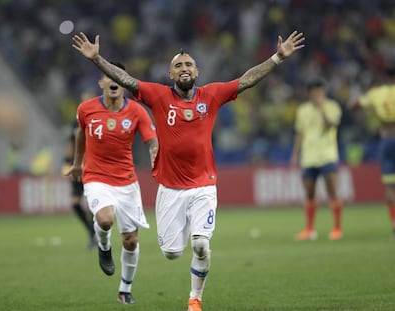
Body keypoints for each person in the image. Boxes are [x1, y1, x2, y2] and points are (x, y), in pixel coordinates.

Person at [72, 30, 304, 311]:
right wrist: (97, 59)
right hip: (170, 190)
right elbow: (126, 80)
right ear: (170, 74)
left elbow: (247, 80)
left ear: (197, 71)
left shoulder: (212, 95)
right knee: (171, 253)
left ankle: (195, 298)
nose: (184, 69)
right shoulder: (157, 96)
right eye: (179, 65)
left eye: (189, 64)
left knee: (201, 246)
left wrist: (278, 57)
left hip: (203, 187)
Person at [65, 62, 158, 304]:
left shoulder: (137, 112)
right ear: (102, 83)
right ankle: (103, 246)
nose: (114, 80)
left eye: (120, 76)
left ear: (125, 82)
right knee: (105, 219)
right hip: (96, 177)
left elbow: (152, 139)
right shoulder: (86, 109)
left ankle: (125, 290)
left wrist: (154, 152)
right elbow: (80, 134)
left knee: (131, 240)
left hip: (127, 182)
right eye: (109, 76)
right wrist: (77, 164)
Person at [290, 78, 343, 241]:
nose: (317, 94)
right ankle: (310, 229)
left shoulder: (332, 107)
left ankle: (336, 228)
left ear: (323, 92)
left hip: (327, 155)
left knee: (332, 192)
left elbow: (330, 125)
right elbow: (300, 133)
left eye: (319, 91)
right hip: (309, 157)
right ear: (309, 93)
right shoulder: (302, 110)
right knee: (309, 193)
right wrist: (295, 154)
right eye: (313, 92)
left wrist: (321, 108)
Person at [349, 66, 395, 238]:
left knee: (390, 187)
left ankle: (394, 226)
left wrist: (371, 106)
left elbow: (354, 105)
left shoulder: (378, 92)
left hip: (387, 139)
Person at [62, 112, 96, 250]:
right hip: (76, 167)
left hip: (91, 166)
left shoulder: (97, 120)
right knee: (75, 203)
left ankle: (97, 235)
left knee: (93, 205)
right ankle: (92, 232)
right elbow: (71, 143)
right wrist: (66, 162)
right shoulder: (75, 122)